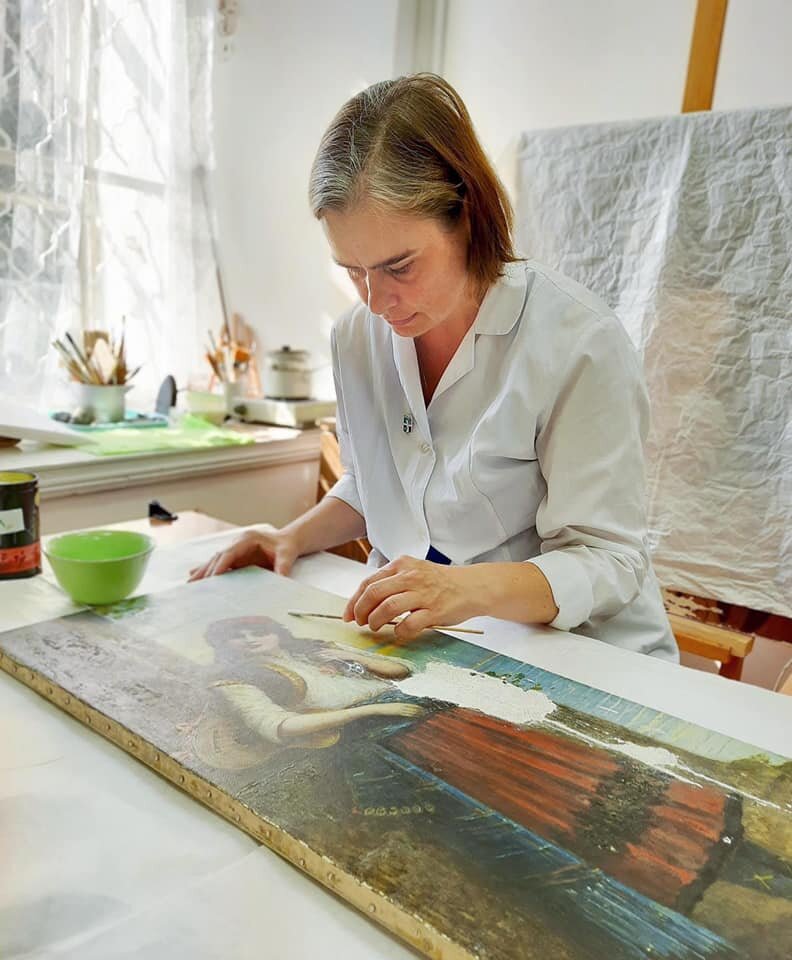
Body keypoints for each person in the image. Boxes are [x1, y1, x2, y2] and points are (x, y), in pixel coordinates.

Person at [190, 74, 677, 661]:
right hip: (450, 646)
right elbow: (377, 486)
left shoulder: (578, 342)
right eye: (353, 270)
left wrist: (461, 589)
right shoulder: (357, 336)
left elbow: (609, 560)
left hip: (587, 656)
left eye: (399, 266)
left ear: (467, 216)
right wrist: (289, 538)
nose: (375, 300)